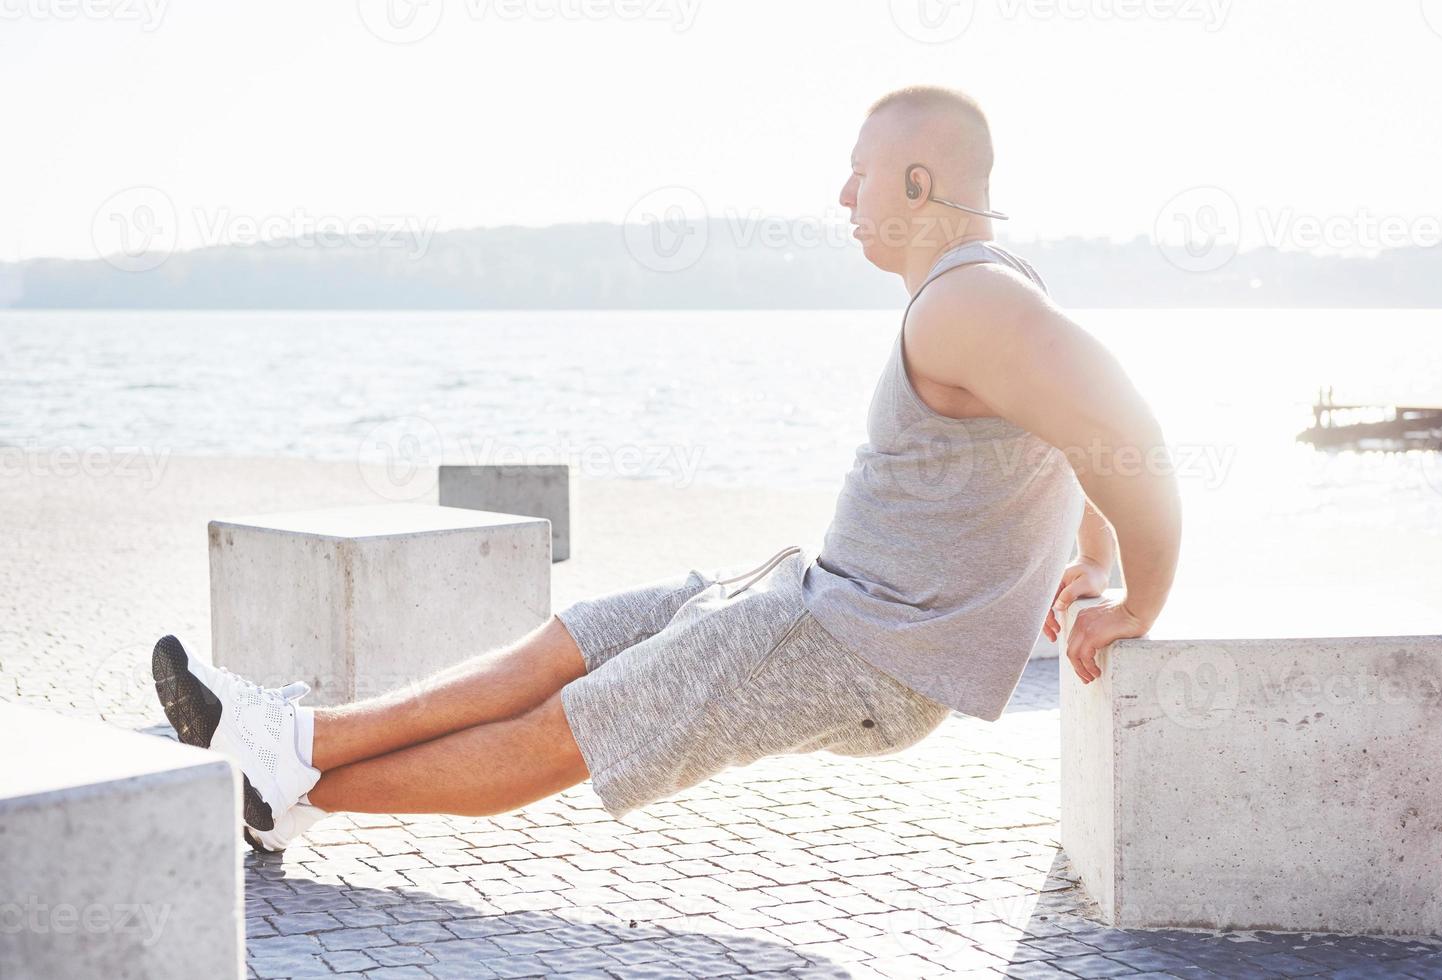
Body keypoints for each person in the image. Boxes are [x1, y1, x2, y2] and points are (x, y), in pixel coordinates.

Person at [152, 85, 1180, 852]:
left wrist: (1138, 599)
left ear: (917, 184)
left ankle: (289, 786)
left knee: (572, 728)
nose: (840, 191)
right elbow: (1079, 430)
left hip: (857, 646)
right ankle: (292, 733)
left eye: (857, 169)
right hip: (812, 600)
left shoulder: (969, 302)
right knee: (570, 642)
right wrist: (1090, 557)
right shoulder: (981, 296)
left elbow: (1126, 434)